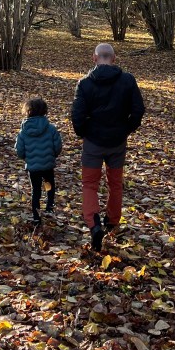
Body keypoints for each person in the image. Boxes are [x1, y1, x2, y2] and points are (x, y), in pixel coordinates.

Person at [71, 43, 145, 251]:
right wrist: (126, 129)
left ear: (94, 58)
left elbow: (77, 115)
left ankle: (94, 224)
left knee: (89, 184)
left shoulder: (85, 83)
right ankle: (112, 222)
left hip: (93, 142)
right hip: (117, 142)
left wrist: (84, 133)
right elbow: (138, 110)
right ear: (114, 58)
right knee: (115, 183)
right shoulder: (127, 81)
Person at [15, 95, 63, 225]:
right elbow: (58, 145)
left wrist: (27, 158)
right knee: (49, 185)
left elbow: (19, 150)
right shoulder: (51, 128)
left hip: (33, 167)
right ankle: (49, 207)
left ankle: (36, 216)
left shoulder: (23, 131)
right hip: (48, 165)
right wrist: (53, 155)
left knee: (35, 190)